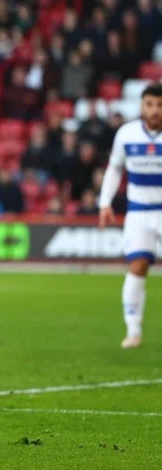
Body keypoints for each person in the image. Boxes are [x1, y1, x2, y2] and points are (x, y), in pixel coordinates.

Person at [98, 83, 162, 349]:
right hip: (139, 212)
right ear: (142, 106)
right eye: (150, 104)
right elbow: (114, 168)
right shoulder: (126, 134)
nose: (155, 110)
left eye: (159, 105)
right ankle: (133, 330)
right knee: (137, 266)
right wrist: (105, 203)